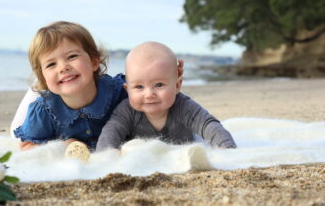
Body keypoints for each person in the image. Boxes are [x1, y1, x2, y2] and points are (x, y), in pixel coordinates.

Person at [96, 41, 236, 152]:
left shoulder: (183, 106)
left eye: (159, 85)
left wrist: (227, 148)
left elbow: (208, 125)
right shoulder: (126, 111)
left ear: (177, 86)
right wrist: (108, 154)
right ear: (127, 90)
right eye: (139, 87)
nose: (149, 94)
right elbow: (111, 131)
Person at [13, 21, 127, 151]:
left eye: (72, 56)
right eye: (51, 64)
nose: (63, 67)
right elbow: (26, 146)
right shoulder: (44, 111)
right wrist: (62, 147)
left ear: (94, 61)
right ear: (43, 77)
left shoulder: (119, 92)